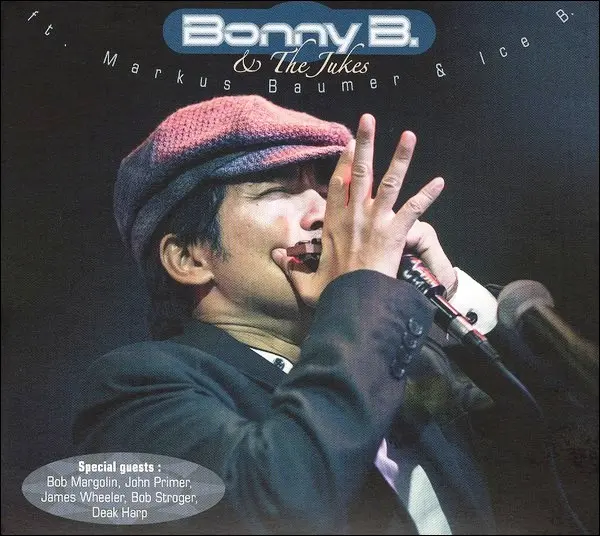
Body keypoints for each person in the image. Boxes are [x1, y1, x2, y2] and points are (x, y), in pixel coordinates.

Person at [72, 95, 586, 534]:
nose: (325, 212)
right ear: (189, 258)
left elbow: (569, 440)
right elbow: (276, 505)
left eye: (322, 189)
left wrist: (449, 291)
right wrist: (360, 290)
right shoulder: (135, 389)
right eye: (277, 191)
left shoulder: (408, 362)